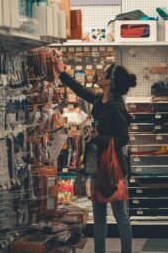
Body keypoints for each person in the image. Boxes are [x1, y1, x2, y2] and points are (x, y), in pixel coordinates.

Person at [51, 49, 137, 253]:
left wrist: (99, 138)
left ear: (110, 81)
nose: (99, 74)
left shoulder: (116, 107)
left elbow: (123, 138)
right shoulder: (100, 100)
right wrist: (60, 70)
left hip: (113, 168)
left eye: (104, 73)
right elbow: (80, 90)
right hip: (97, 165)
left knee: (120, 216)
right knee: (98, 217)